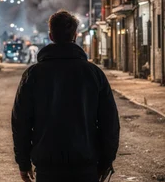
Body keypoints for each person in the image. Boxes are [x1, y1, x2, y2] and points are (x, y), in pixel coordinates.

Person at [12, 10, 120, 182]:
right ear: (75, 36)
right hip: (85, 166)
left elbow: (21, 122)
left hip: (48, 167)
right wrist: (106, 162)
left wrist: (23, 163)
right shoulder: (93, 73)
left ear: (51, 36)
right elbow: (110, 122)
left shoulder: (33, 74)